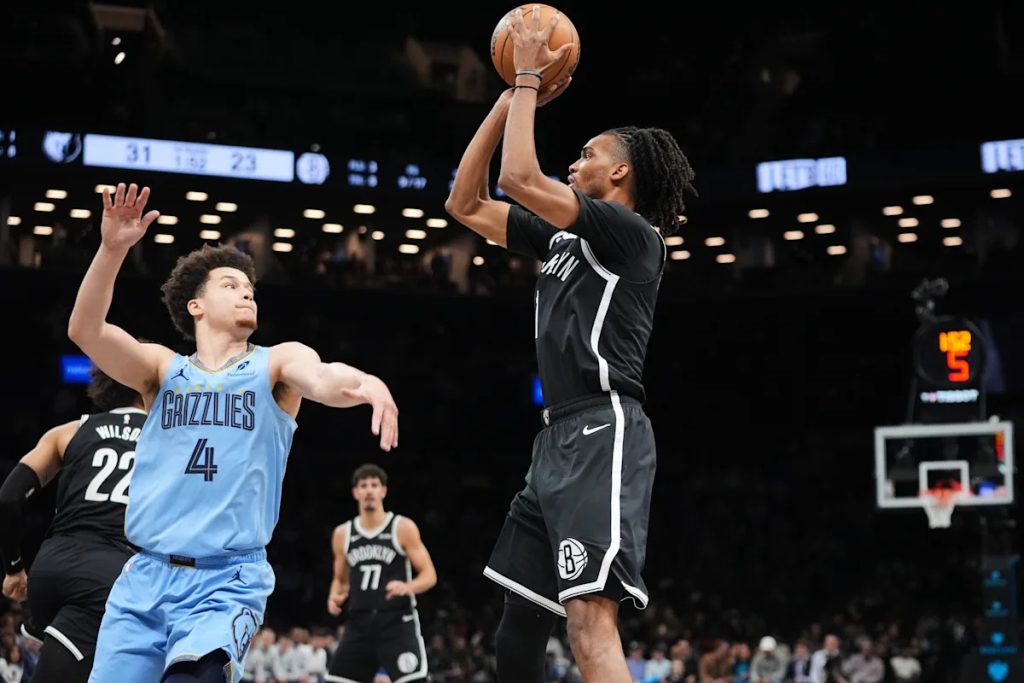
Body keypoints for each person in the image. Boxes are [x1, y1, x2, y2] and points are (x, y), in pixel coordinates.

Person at [445, 8, 696, 683]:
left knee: (588, 622)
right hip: (555, 438)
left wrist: (528, 78)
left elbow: (520, 179)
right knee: (517, 630)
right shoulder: (563, 238)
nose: (575, 161)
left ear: (620, 175)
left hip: (604, 428)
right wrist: (506, 100)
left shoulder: (632, 236)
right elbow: (465, 203)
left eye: (589, 154)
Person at [68, 182, 399, 683]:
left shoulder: (276, 364)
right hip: (145, 577)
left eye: (250, 288)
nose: (246, 292)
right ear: (195, 306)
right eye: (230, 285)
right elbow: (86, 331)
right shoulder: (162, 370)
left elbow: (324, 377)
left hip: (225, 580)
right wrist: (112, 250)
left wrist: (367, 383)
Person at [0, 367, 144, 682]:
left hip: (49, 569)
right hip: (108, 577)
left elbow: (8, 498)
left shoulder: (68, 432)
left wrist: (13, 568)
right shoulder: (169, 439)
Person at [326, 464, 437, 682]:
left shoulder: (402, 527)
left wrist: (408, 587)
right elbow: (340, 580)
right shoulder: (342, 534)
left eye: (374, 485)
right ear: (355, 492)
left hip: (396, 621)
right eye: (363, 485)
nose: (369, 490)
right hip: (359, 623)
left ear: (383, 491)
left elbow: (429, 575)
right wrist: (334, 596)